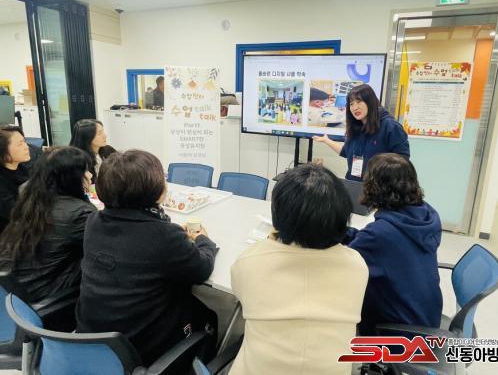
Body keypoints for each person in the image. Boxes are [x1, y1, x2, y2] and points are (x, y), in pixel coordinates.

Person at [76, 150, 218, 367]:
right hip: (138, 349)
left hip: (92, 337)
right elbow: (202, 268)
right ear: (155, 191)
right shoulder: (163, 236)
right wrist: (203, 240)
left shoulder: (95, 221)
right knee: (209, 317)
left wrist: (173, 236)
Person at [229, 164, 368, 375]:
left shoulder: (251, 261)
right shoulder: (357, 266)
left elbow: (240, 294)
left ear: (278, 218)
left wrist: (272, 241)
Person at [345, 153, 442, 335]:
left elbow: (342, 264)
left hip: (399, 333)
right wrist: (343, 233)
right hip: (424, 319)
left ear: (374, 187)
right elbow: (378, 243)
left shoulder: (379, 234)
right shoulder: (426, 216)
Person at [0, 147, 96, 314]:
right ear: (71, 178)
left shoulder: (31, 197)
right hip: (52, 296)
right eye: (85, 171)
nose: (90, 175)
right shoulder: (78, 213)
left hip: (24, 289)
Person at [313, 84, 409, 182]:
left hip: (378, 186)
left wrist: (380, 174)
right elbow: (346, 151)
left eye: (359, 102)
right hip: (354, 182)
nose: (355, 108)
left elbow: (402, 160)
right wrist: (326, 140)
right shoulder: (356, 126)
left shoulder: (390, 127)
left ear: (370, 102)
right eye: (351, 104)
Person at [0, 126, 30, 234]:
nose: (26, 147)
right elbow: (15, 213)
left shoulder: (21, 168)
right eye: (19, 144)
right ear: (3, 150)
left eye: (24, 142)